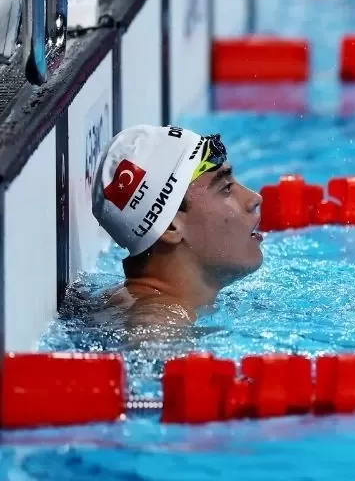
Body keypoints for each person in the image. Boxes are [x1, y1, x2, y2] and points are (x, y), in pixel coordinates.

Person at [91, 124, 263, 337]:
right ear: (171, 226)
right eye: (225, 188)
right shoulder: (158, 326)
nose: (255, 198)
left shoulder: (135, 302)